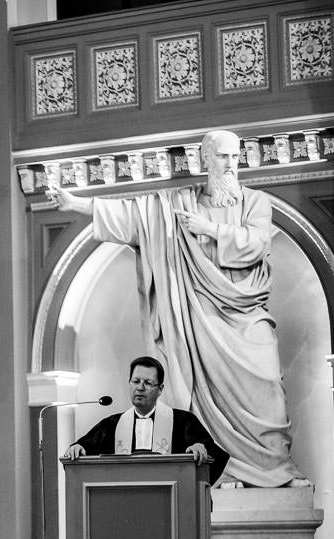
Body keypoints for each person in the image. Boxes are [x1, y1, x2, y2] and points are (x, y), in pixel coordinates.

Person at [49, 129, 306, 488]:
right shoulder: (177, 205)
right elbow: (134, 217)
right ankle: (223, 473)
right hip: (197, 319)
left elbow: (258, 243)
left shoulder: (256, 202)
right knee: (201, 398)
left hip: (245, 316)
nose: (230, 164)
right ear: (205, 160)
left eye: (235, 156)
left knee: (268, 391)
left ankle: (275, 468)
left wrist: (210, 229)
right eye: (222, 156)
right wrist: (77, 204)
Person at [64, 356, 230, 484]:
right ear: (129, 383)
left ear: (160, 389)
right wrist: (77, 447)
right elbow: (84, 448)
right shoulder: (112, 425)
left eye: (148, 383)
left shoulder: (183, 422)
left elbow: (215, 455)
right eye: (136, 381)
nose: (140, 387)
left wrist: (201, 448)